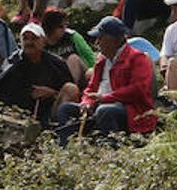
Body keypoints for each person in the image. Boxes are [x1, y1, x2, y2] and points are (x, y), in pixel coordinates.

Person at [56, 16, 156, 145]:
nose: (97, 42)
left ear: (114, 40)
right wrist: (86, 102)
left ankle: (113, 147)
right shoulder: (102, 60)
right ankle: (67, 147)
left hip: (129, 110)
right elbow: (91, 88)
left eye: (101, 38)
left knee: (104, 111)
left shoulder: (137, 58)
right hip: (100, 104)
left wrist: (105, 98)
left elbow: (137, 90)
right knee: (65, 109)